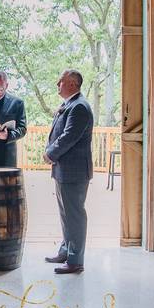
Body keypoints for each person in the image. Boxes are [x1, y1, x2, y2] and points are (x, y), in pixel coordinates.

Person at [43, 69, 94, 275]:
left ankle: (75, 260)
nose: (58, 84)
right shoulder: (70, 104)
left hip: (74, 170)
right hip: (64, 169)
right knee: (65, 214)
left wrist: (50, 154)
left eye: (61, 81)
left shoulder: (79, 107)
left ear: (72, 84)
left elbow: (68, 137)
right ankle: (65, 251)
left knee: (74, 215)